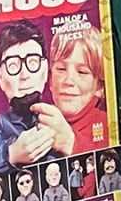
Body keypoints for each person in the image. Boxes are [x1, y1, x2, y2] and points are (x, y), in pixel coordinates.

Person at [0, 20, 54, 170]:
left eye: (32, 62)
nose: (24, 75)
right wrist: (12, 153)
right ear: (0, 77)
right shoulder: (3, 125)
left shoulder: (55, 117)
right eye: (13, 66)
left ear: (45, 69)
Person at [45, 25, 109, 155]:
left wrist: (71, 143)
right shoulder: (40, 120)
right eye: (61, 69)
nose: (69, 80)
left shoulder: (106, 125)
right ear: (50, 80)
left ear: (99, 87)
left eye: (82, 72)